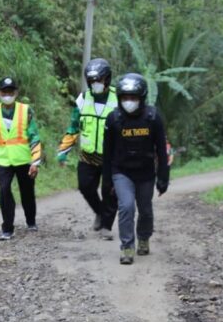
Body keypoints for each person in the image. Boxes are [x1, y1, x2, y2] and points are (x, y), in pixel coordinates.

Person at [103, 73, 169, 265]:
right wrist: (106, 181)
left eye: (133, 98)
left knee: (145, 210)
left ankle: (144, 238)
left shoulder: (153, 117)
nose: (129, 102)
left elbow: (162, 151)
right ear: (119, 98)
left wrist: (163, 177)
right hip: (122, 172)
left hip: (146, 173)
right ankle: (127, 247)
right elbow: (107, 153)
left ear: (142, 98)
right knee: (126, 207)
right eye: (125, 98)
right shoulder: (113, 119)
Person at [57, 58, 118, 240]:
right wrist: (63, 151)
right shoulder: (83, 99)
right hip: (87, 157)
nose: (95, 85)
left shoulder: (118, 99)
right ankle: (100, 212)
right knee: (85, 187)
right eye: (92, 81)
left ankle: (106, 226)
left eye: (98, 81)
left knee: (110, 192)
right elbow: (74, 126)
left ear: (107, 79)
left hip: (111, 158)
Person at [0, 77, 42, 241]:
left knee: (27, 192)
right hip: (3, 160)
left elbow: (34, 136)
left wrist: (35, 162)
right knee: (4, 192)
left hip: (24, 158)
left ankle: (31, 221)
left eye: (10, 92)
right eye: (4, 92)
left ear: (16, 93)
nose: (7, 95)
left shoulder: (26, 110)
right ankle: (7, 228)